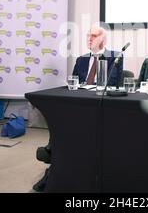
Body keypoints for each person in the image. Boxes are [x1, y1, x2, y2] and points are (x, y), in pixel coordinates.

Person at [33, 25, 123, 192]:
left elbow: (113, 82)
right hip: (80, 105)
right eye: (88, 35)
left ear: (102, 39)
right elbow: (73, 82)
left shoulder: (115, 56)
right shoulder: (81, 59)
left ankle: (51, 157)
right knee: (62, 122)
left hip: (101, 106)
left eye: (94, 35)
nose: (89, 38)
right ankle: (53, 166)